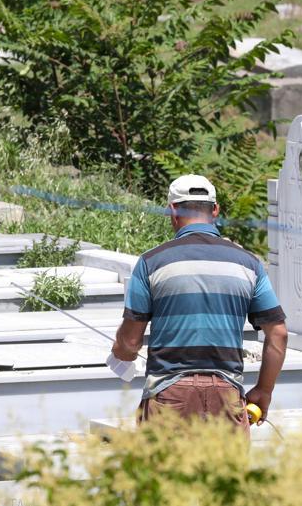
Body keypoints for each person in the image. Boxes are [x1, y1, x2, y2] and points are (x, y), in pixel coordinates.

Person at [111, 174, 288, 435]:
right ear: (215, 210)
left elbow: (129, 342)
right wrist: (264, 389)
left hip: (169, 396)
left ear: (172, 210)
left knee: (165, 476)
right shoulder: (248, 264)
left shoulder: (151, 262)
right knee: (225, 476)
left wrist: (121, 353)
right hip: (227, 397)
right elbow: (279, 335)